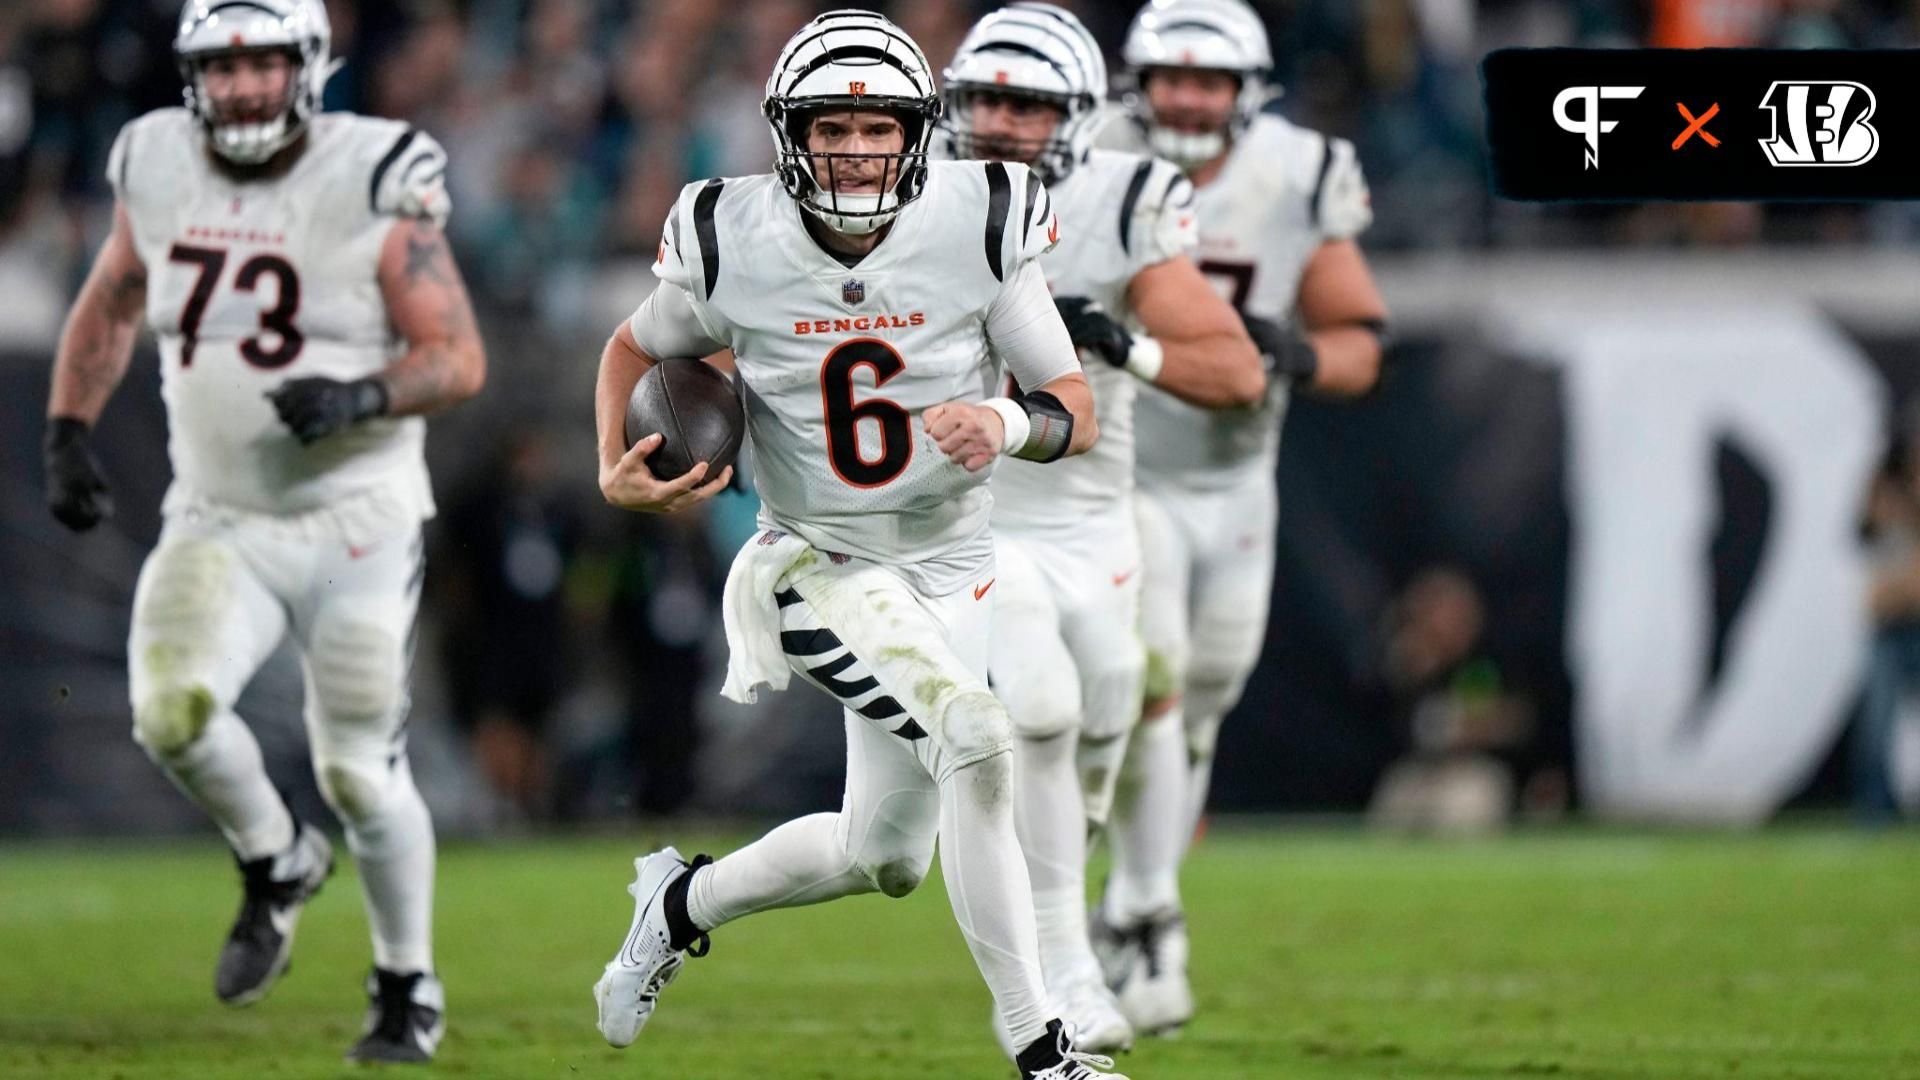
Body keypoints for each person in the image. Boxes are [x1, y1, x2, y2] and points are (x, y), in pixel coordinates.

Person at [589, 10, 1122, 1079]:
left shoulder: (982, 222)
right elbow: (633, 346)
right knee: (975, 735)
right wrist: (613, 459)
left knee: (883, 855)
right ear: (791, 134)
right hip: (815, 566)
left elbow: (1073, 405)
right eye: (832, 127)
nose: (856, 149)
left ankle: (680, 899)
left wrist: (1008, 424)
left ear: (917, 134)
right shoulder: (729, 235)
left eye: (879, 128)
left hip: (950, 568)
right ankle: (1044, 1046)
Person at [40, 0, 483, 1062]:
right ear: (192, 72)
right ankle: (276, 858)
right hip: (218, 514)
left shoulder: (373, 171)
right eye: (221, 66)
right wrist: (64, 428)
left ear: (312, 64)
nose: (241, 87)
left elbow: (456, 356)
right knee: (170, 714)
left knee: (358, 772)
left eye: (263, 63)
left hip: (356, 521)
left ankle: (405, 981)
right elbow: (112, 298)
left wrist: (362, 396)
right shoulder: (152, 157)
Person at [939, 1, 1263, 1055]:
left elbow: (1234, 369)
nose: (998, 120)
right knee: (1039, 707)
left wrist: (1129, 349)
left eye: (1026, 102)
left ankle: (1088, 916)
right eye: (983, 96)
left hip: (1090, 515)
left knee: (1116, 701)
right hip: (970, 514)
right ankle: (1063, 968)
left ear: (1077, 115)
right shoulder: (908, 194)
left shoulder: (1124, 200)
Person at [1092, 0, 1390, 1037]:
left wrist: (1297, 354)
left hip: (1237, 480)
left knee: (1205, 696)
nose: (1183, 96)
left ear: (1245, 91)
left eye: (1205, 79)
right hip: (1125, 468)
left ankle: (1133, 906)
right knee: (1157, 679)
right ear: (1135, 79)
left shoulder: (1298, 171)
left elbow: (1358, 341)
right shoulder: (1089, 153)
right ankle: (1150, 917)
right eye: (1166, 76)